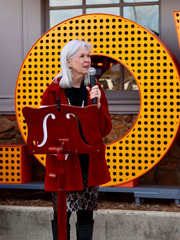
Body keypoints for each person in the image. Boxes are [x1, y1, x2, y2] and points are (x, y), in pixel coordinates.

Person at [40, 40, 112, 240]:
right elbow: (44, 127)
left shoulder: (95, 90)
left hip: (88, 162)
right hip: (63, 163)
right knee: (62, 214)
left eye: (88, 56)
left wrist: (97, 108)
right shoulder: (53, 91)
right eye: (82, 56)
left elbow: (105, 129)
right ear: (68, 62)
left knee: (86, 215)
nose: (87, 60)